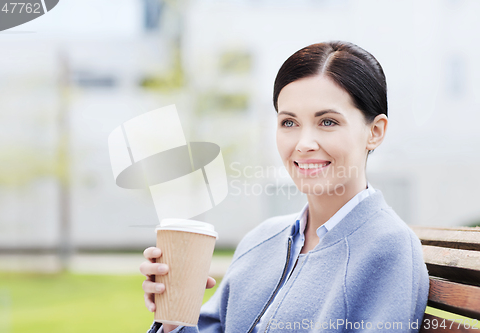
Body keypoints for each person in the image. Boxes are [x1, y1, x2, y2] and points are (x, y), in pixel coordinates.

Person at [140, 41, 429, 333]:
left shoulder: (388, 248)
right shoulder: (261, 240)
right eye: (289, 123)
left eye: (327, 121)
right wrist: (175, 317)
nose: (303, 144)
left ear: (375, 132)